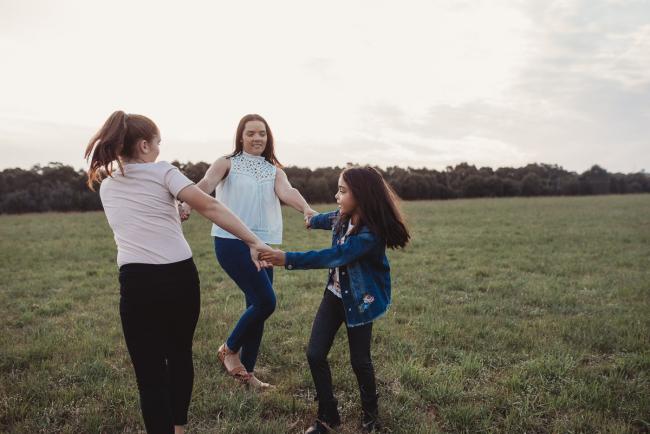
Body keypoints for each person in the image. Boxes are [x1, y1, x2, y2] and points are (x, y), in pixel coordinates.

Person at [84, 110, 271, 434]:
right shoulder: (163, 172)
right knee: (179, 354)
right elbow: (210, 206)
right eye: (157, 142)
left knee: (149, 373)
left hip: (136, 282)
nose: (159, 148)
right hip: (179, 279)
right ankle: (179, 427)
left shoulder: (107, 186)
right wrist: (253, 241)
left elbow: (145, 213)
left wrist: (174, 209)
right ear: (144, 145)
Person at [261, 166, 410, 433]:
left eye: (342, 191)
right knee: (315, 354)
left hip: (361, 301)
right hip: (335, 295)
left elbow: (333, 256)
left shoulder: (369, 234)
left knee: (360, 361)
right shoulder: (343, 216)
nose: (336, 195)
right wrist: (310, 217)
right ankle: (328, 416)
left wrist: (287, 259)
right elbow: (328, 218)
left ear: (361, 196)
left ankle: (371, 416)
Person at [181, 114, 317, 389]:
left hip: (264, 244)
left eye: (262, 134)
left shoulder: (274, 170)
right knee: (266, 302)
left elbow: (288, 191)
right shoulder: (227, 163)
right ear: (240, 137)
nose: (257, 138)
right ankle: (229, 349)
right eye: (251, 133)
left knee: (256, 304)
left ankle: (248, 373)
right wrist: (187, 203)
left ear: (268, 138)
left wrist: (306, 208)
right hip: (231, 241)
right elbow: (206, 185)